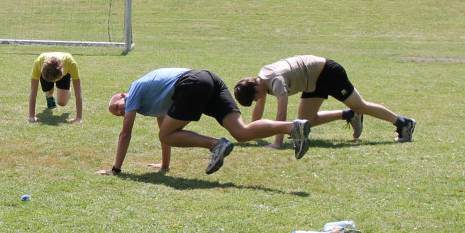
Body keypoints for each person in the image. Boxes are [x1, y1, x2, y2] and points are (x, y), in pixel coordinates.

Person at [99, 67, 311, 177]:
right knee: (241, 132)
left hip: (191, 83)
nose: (121, 112)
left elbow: (125, 133)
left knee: (165, 134)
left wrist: (116, 170)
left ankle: (216, 145)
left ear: (122, 95)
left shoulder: (135, 89)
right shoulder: (151, 100)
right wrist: (164, 165)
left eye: (118, 106)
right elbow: (164, 127)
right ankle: (294, 127)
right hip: (209, 79)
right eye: (117, 114)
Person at [233, 55, 416, 145]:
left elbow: (281, 114)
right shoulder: (261, 81)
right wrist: (252, 133)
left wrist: (277, 143)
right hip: (312, 82)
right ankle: (349, 115)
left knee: (361, 105)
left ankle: (404, 123)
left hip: (328, 73)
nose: (259, 100)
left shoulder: (275, 81)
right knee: (307, 122)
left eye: (256, 97)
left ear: (256, 88)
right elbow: (259, 109)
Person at [28, 51, 83, 123]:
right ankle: (49, 96)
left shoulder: (70, 62)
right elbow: (33, 91)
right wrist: (31, 116)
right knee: (48, 92)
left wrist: (79, 117)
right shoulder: (39, 62)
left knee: (62, 102)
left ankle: (67, 90)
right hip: (47, 73)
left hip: (64, 73)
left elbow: (78, 92)